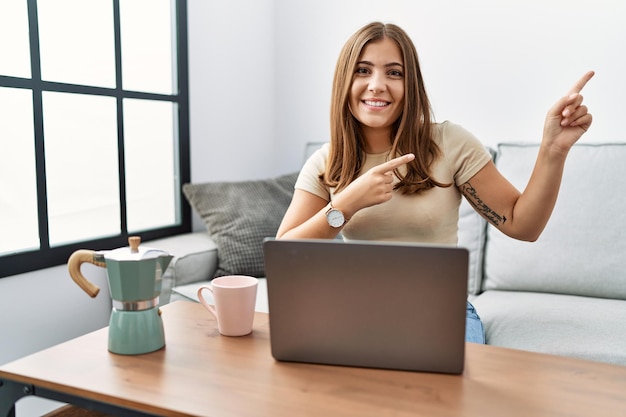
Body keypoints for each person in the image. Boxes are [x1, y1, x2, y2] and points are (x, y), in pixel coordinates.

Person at [275, 21, 593, 344]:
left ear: (410, 84)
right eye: (363, 70)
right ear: (345, 80)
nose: (377, 85)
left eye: (394, 73)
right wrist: (346, 203)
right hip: (358, 309)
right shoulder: (327, 162)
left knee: (447, 393)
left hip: (442, 310)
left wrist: (552, 150)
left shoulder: (449, 143)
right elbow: (283, 255)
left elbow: (522, 224)